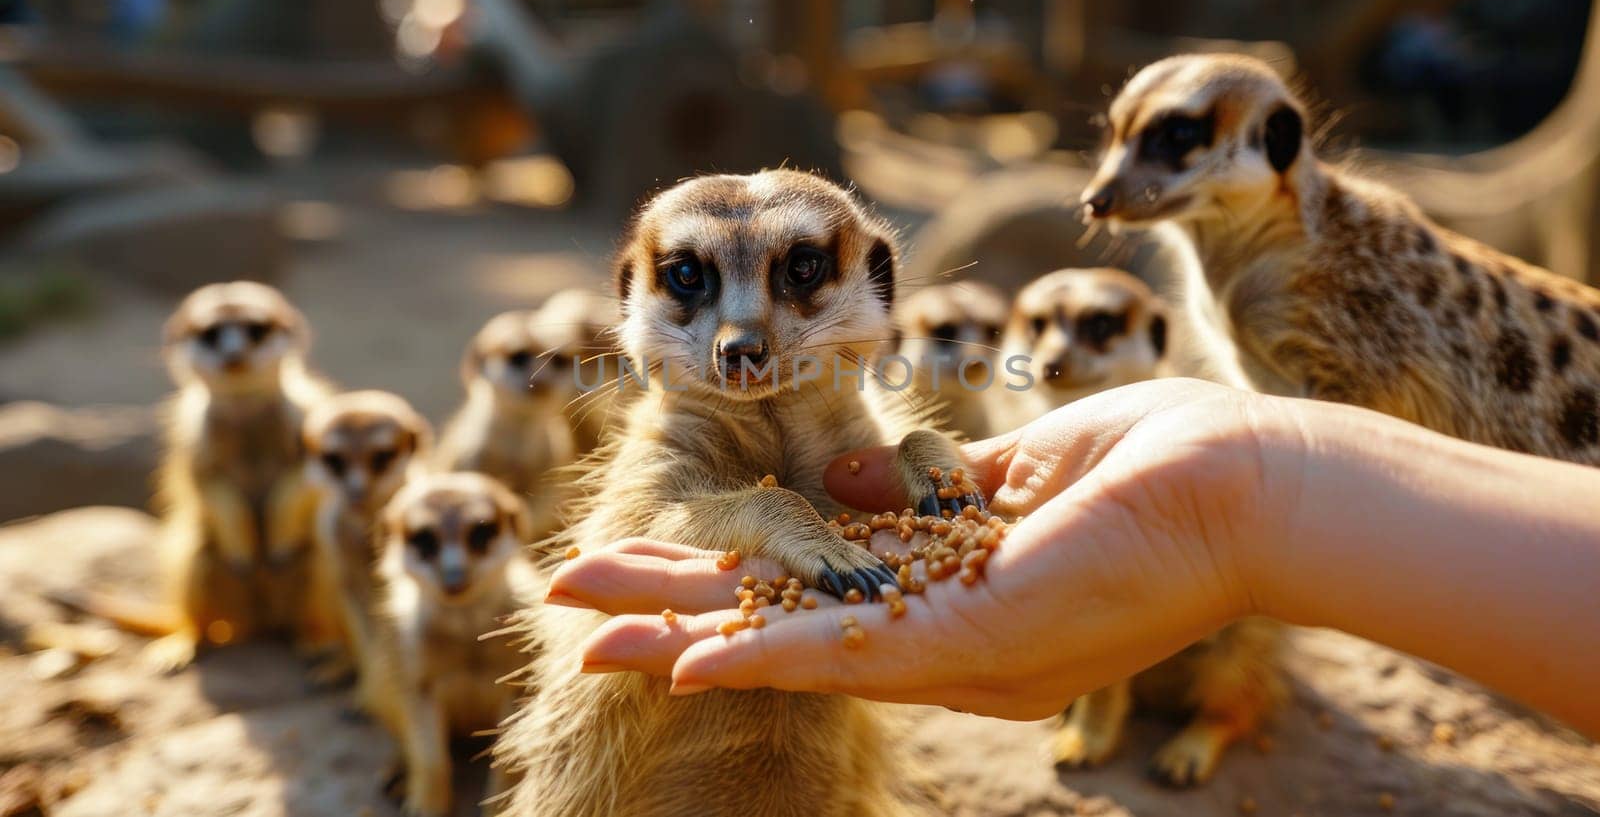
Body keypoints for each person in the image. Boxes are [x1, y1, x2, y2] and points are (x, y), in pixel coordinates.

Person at [545, 378, 1600, 737]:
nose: (745, 326)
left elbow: (925, 505)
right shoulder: (665, 429)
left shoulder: (880, 431)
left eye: (801, 275)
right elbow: (636, 540)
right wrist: (769, 526)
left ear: (876, 277)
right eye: (689, 282)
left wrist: (1238, 490)